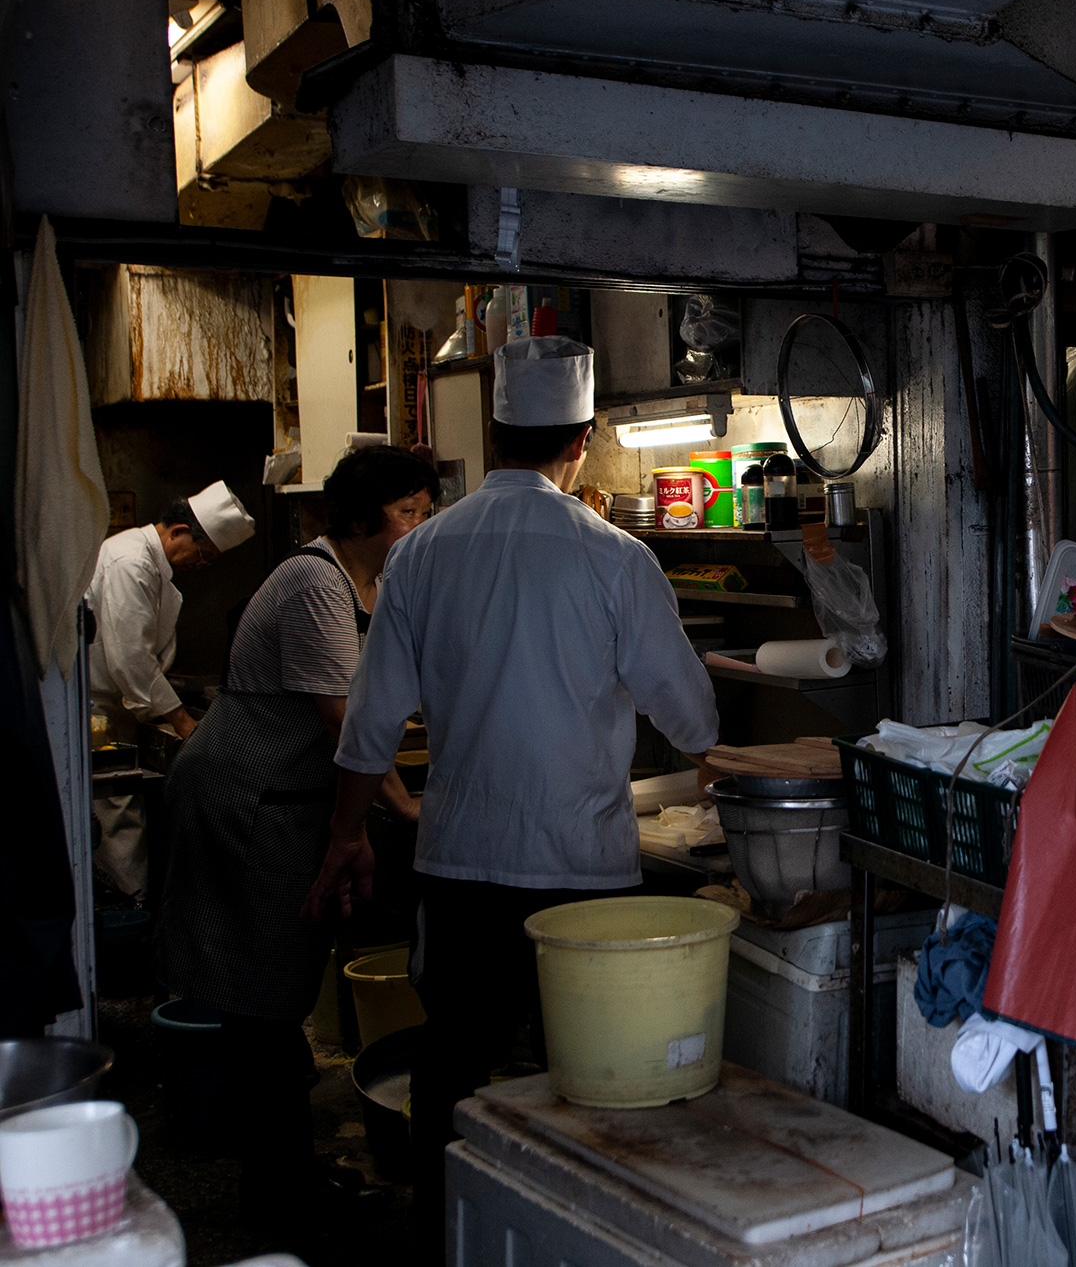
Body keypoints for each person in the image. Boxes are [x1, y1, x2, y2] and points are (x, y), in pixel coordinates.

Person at [303, 336, 719, 1252]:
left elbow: (368, 729)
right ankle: (570, 1242)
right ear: (582, 440)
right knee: (584, 1074)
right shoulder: (616, 559)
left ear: (494, 434)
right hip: (584, 877)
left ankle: (446, 1242)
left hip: (460, 866)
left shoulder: (419, 556)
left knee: (453, 1066)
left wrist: (345, 836)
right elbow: (693, 716)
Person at [154, 446, 438, 1230]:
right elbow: (346, 720)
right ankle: (275, 1198)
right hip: (247, 796)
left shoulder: (375, 584)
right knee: (262, 1003)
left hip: (289, 797)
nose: (419, 525)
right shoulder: (316, 581)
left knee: (276, 998)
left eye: (424, 510)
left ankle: (287, 1176)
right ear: (359, 518)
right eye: (406, 512)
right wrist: (404, 811)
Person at [88, 481, 254, 901]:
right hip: (99, 714)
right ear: (178, 531)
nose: (201, 565)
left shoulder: (150, 563)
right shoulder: (131, 561)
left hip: (118, 708)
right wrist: (181, 720)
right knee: (118, 817)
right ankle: (130, 909)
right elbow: (129, 658)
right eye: (201, 554)